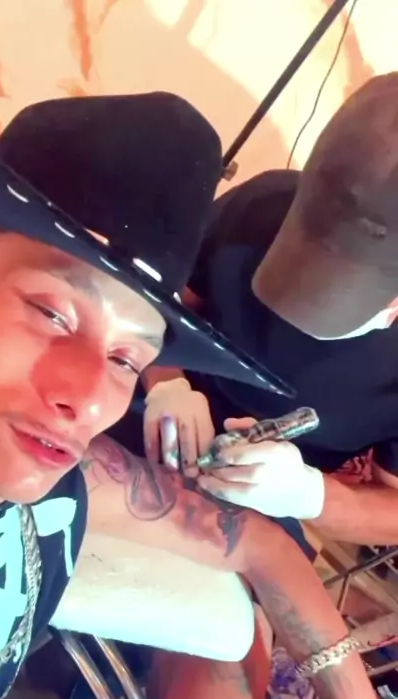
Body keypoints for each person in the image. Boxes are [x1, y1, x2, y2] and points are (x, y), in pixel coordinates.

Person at [0, 91, 395, 699]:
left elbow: (267, 545)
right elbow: (162, 294)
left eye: (123, 356)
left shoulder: (74, 474)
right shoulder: (261, 214)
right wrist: (164, 382)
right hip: (161, 440)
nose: (83, 398)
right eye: (51, 311)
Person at [130, 72, 398, 552]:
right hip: (158, 410)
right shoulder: (264, 203)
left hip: (267, 497)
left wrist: (310, 495)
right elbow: (156, 303)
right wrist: (166, 382)